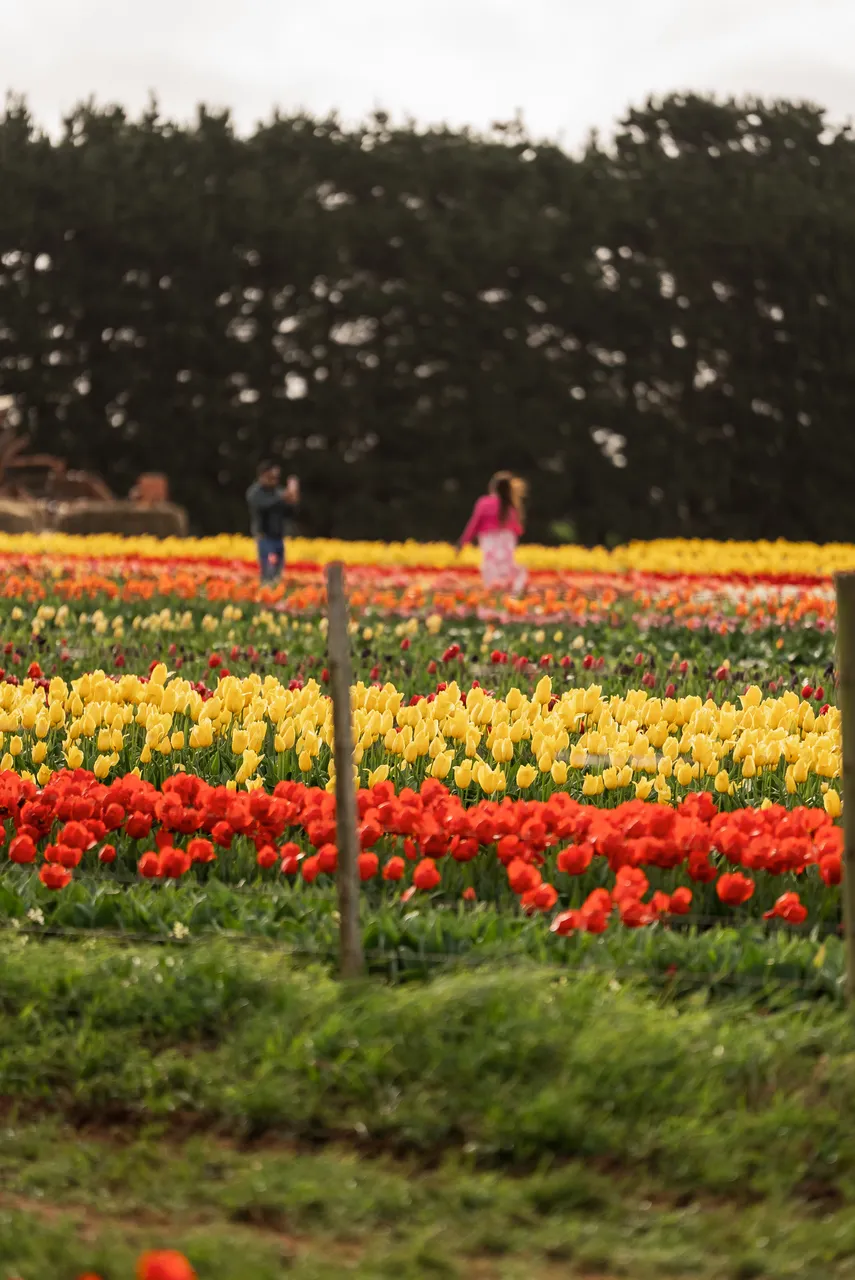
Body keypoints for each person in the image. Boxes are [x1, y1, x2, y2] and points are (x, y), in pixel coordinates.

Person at [457, 471, 527, 592]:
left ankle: (492, 594)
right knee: (507, 568)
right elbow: (518, 529)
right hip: (507, 539)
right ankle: (512, 592)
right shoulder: (510, 506)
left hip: (489, 539)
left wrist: (463, 542)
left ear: (492, 487)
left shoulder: (484, 503)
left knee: (491, 568)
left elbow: (474, 524)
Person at [246, 462, 299, 581]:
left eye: (276, 478)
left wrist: (293, 498)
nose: (274, 480)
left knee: (278, 573)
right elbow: (264, 505)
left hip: (278, 537)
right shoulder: (255, 492)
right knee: (268, 572)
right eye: (271, 477)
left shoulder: (278, 492)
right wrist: (283, 498)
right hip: (265, 537)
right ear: (263, 475)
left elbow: (289, 512)